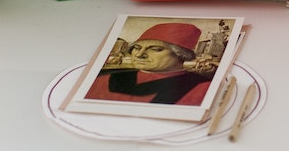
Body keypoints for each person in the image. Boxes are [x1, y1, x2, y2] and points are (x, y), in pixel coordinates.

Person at [84, 22, 212, 106]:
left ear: (182, 54)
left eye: (155, 49)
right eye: (137, 48)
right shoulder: (104, 79)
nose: (139, 55)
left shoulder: (202, 88)